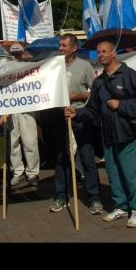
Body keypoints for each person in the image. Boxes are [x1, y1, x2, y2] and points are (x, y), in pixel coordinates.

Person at [65, 41, 136, 228]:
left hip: (128, 135)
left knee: (132, 174)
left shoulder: (129, 75)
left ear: (113, 53)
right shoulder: (98, 82)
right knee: (114, 174)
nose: (100, 55)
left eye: (104, 51)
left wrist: (122, 105)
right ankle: (120, 206)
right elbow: (93, 109)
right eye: (98, 52)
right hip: (108, 136)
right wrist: (76, 113)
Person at [50, 34, 102, 214]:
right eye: (60, 45)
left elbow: (94, 93)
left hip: (79, 116)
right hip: (59, 116)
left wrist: (75, 97)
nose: (60, 48)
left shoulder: (84, 66)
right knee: (61, 158)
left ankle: (94, 198)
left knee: (87, 157)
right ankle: (62, 196)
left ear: (74, 48)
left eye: (64, 45)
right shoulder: (53, 66)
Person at [7, 44, 40, 188]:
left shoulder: (30, 69)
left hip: (27, 108)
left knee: (30, 142)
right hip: (11, 108)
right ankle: (17, 172)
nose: (16, 56)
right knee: (13, 142)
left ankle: (32, 173)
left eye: (18, 53)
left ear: (23, 54)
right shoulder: (5, 68)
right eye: (14, 54)